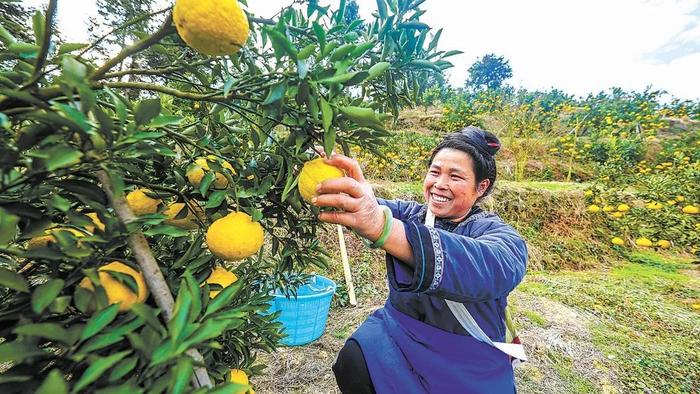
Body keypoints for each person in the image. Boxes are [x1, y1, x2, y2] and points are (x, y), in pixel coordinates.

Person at [312, 126, 528, 394]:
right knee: (352, 362)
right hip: (402, 335)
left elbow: (492, 266)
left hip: (464, 357)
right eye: (435, 172)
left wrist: (385, 229)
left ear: (481, 187)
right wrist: (338, 183)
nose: (439, 184)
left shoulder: (499, 236)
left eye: (455, 177)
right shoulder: (411, 215)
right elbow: (365, 207)